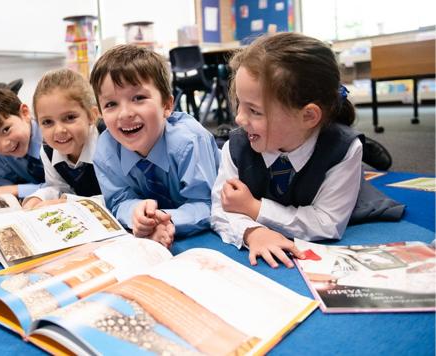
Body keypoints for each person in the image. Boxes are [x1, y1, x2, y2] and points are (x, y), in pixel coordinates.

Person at [211, 32, 403, 269]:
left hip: (331, 171)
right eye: (239, 103)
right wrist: (252, 232)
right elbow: (220, 207)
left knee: (348, 163)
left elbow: (328, 222)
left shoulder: (343, 151)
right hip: (285, 158)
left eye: (255, 111)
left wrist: (254, 209)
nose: (239, 118)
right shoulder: (237, 146)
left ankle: (357, 140)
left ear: (308, 116)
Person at [89, 44, 221, 248]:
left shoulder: (189, 141)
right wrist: (137, 213)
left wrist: (166, 218)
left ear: (167, 105)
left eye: (139, 98)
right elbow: (117, 201)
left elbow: (207, 204)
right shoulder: (106, 151)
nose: (124, 114)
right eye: (111, 104)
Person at [22, 69, 101, 209]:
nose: (59, 130)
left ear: (92, 116)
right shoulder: (48, 150)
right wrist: (37, 197)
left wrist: (67, 202)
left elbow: (115, 197)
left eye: (70, 117)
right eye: (47, 122)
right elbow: (59, 187)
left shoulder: (107, 143)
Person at [0, 86, 45, 199]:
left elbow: (63, 187)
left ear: (25, 113)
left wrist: (17, 190)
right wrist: (7, 191)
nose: (3, 145)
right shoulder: (2, 152)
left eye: (6, 130)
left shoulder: (51, 138)